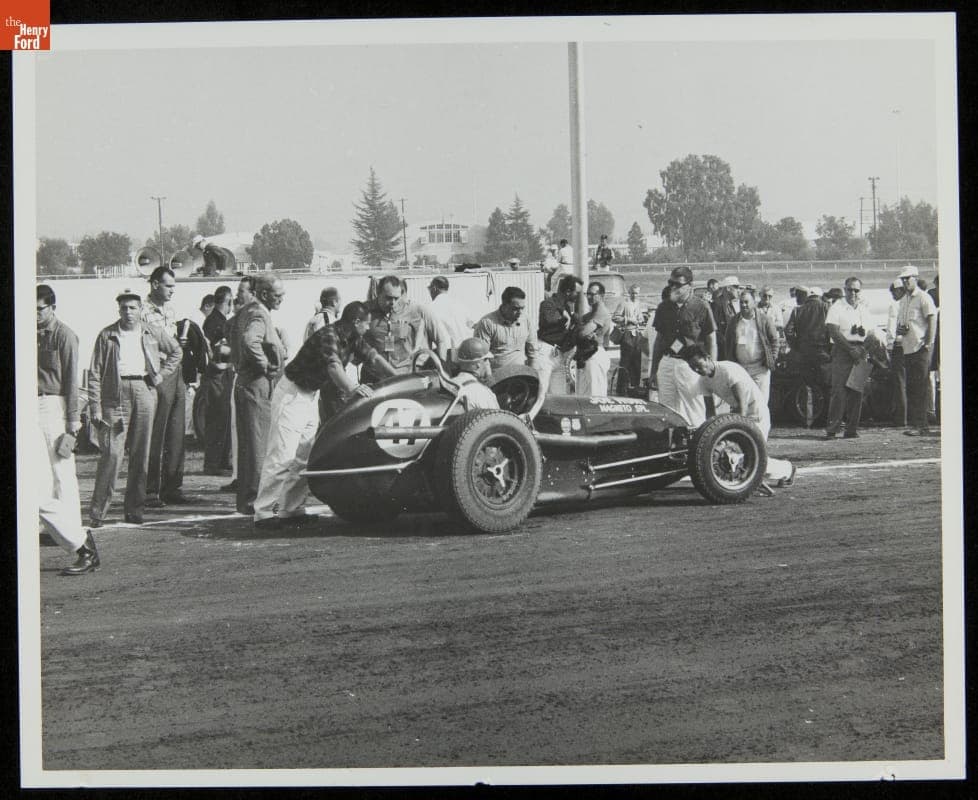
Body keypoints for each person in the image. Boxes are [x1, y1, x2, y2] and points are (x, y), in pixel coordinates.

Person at [252, 301, 396, 529]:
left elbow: (374, 358)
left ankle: (291, 508)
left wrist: (397, 378)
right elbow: (333, 367)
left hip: (309, 394)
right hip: (292, 394)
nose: (368, 328)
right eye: (366, 324)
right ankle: (264, 512)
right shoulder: (329, 335)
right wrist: (353, 388)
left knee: (303, 456)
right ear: (356, 322)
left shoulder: (352, 336)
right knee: (282, 455)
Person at [88, 288, 181, 526]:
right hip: (115, 396)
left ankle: (134, 510)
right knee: (112, 453)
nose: (128, 312)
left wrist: (161, 375)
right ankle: (98, 512)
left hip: (144, 390)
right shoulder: (107, 335)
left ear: (140, 310)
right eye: (124, 308)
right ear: (118, 310)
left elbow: (176, 351)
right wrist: (95, 407)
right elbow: (95, 373)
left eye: (132, 307)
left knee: (141, 453)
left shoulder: (151, 331)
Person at [36, 285, 100, 575]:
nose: (36, 314)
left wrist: (73, 422)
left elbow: (71, 382)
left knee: (62, 473)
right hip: (31, 407)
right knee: (42, 477)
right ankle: (64, 532)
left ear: (52, 307)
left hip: (55, 406)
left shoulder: (65, 335)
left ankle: (76, 536)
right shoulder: (28, 333)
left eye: (40, 309)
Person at [682, 345, 795, 488]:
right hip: (740, 416)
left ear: (708, 358)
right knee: (738, 456)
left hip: (756, 414)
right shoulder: (703, 381)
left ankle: (787, 469)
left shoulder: (729, 370)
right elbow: (710, 413)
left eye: (699, 366)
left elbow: (742, 406)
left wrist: (734, 434)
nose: (697, 370)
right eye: (693, 368)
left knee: (751, 459)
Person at [230, 273, 287, 515]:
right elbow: (249, 340)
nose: (281, 300)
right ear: (264, 294)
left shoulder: (244, 312)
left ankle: (247, 499)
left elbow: (233, 332)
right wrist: (266, 364)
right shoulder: (258, 313)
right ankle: (254, 499)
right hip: (257, 383)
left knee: (250, 445)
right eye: (278, 295)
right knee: (257, 445)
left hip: (247, 382)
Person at [141, 266, 189, 507]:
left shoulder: (170, 310)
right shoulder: (141, 311)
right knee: (156, 432)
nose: (173, 290)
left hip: (175, 369)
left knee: (176, 431)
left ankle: (173, 486)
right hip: (158, 372)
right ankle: (150, 489)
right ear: (155, 284)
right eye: (169, 285)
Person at [650, 266, 717, 428]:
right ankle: (671, 448)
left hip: (691, 366)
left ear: (690, 285)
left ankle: (698, 447)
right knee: (666, 411)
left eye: (678, 284)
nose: (673, 287)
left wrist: (712, 369)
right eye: (671, 283)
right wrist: (653, 370)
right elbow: (659, 340)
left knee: (694, 410)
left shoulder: (701, 306)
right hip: (667, 362)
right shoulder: (664, 307)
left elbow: (711, 339)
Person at [361, 274, 450, 384]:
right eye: (388, 298)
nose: (393, 303)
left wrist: (442, 370)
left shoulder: (415, 310)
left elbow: (441, 340)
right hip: (374, 379)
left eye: (396, 298)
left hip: (405, 378)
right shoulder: (364, 311)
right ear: (378, 294)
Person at [824, 276, 873, 439]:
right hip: (842, 350)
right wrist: (849, 349)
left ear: (860, 291)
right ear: (844, 290)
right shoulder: (837, 307)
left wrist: (862, 349)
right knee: (839, 391)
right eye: (850, 289)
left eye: (856, 290)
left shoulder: (864, 309)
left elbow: (872, 333)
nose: (853, 293)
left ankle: (851, 429)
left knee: (857, 391)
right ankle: (833, 428)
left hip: (861, 350)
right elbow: (833, 330)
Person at [894, 265, 938, 437]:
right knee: (913, 386)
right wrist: (901, 330)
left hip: (920, 348)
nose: (905, 282)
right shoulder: (904, 300)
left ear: (915, 278)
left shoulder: (923, 297)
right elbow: (902, 324)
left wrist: (928, 343)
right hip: (908, 348)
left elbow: (932, 319)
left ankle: (922, 425)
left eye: (908, 279)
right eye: (903, 279)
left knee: (920, 386)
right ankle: (916, 424)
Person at [724, 289, 780, 404]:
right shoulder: (734, 322)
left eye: (746, 302)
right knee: (743, 404)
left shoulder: (765, 320)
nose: (744, 305)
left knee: (760, 404)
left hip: (760, 369)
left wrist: (772, 359)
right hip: (741, 369)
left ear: (754, 303)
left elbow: (774, 341)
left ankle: (762, 423)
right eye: (741, 302)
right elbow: (727, 343)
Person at [201, 285, 234, 474]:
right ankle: (214, 463)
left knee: (222, 417)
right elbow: (218, 350)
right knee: (218, 418)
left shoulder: (213, 320)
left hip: (219, 374)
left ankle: (220, 461)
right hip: (218, 375)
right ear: (228, 301)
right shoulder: (217, 322)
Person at [473, 286, 543, 373]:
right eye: (516, 309)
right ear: (504, 305)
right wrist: (490, 381)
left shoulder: (526, 320)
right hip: (498, 379)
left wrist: (534, 378)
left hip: (521, 376)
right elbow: (483, 357)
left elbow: (533, 353)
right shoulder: (487, 323)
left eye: (522, 308)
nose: (520, 312)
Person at [537, 275, 583, 396]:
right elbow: (550, 320)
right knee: (541, 391)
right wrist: (565, 316)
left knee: (559, 394)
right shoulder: (548, 304)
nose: (579, 296)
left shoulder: (565, 307)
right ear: (568, 292)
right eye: (577, 292)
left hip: (558, 353)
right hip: (545, 351)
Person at [784, 285, 830, 391]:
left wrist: (797, 346)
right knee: (825, 386)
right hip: (823, 353)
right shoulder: (827, 307)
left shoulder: (797, 310)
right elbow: (832, 330)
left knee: (808, 387)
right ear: (820, 296)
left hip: (804, 353)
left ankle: (809, 407)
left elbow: (788, 331)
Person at [575, 281, 612, 397]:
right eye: (588, 294)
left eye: (592, 294)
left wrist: (579, 329)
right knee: (583, 395)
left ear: (601, 296)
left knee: (595, 394)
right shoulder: (590, 314)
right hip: (586, 354)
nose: (589, 297)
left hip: (595, 355)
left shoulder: (601, 312)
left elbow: (582, 333)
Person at [612, 284, 646, 392]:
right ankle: (622, 388)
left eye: (637, 293)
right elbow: (615, 317)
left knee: (636, 361)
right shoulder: (624, 303)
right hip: (627, 334)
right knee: (625, 361)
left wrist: (640, 319)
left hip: (637, 334)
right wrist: (628, 319)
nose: (635, 295)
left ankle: (635, 386)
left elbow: (640, 317)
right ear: (629, 293)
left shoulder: (638, 303)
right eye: (633, 293)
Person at [426, 275, 476, 350]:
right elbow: (471, 325)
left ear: (434, 288)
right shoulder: (460, 304)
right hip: (465, 350)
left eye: (429, 289)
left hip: (445, 353)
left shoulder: (430, 308)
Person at [452, 337, 500, 410]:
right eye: (486, 360)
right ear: (478, 364)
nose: (488, 363)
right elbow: (499, 419)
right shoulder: (482, 393)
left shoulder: (451, 383)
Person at [886, 279, 908, 427]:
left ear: (899, 290)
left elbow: (891, 326)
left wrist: (889, 344)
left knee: (899, 382)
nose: (892, 295)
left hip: (898, 347)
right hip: (912, 347)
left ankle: (901, 419)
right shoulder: (910, 303)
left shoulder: (895, 305)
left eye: (893, 291)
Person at [711, 276, 739, 359]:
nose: (739, 290)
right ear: (728, 288)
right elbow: (715, 328)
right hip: (722, 348)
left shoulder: (730, 304)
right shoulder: (717, 305)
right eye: (736, 287)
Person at [757, 286, 786, 352]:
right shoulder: (754, 308)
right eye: (765, 296)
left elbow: (780, 324)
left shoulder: (776, 308)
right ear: (759, 295)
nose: (767, 298)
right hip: (758, 340)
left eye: (770, 296)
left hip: (773, 340)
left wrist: (765, 324)